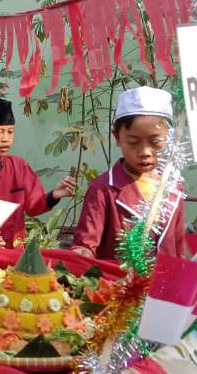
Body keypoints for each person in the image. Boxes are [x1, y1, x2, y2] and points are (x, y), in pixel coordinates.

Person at [72, 86, 186, 259]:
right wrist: (81, 253)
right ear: (117, 137)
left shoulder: (172, 185)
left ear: (169, 137)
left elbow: (178, 245)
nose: (145, 152)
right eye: (133, 142)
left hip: (166, 283)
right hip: (117, 284)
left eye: (155, 142)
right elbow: (86, 244)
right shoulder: (103, 190)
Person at [0, 99, 76, 248]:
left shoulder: (19, 166)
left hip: (16, 252)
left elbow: (33, 206)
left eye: (10, 132)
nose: (5, 139)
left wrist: (53, 196)